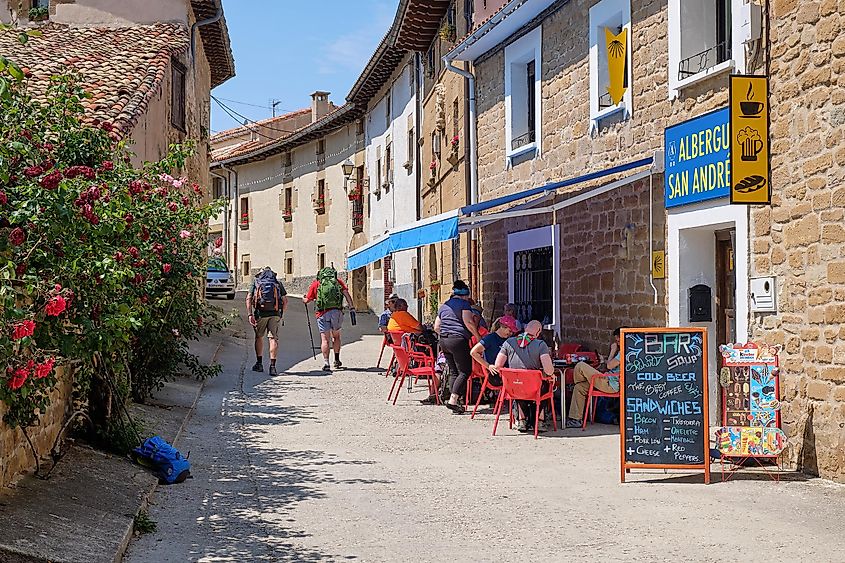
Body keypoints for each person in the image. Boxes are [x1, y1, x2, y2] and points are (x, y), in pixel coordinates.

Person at [494, 320, 555, 432]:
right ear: (538, 332)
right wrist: (552, 374)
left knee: (517, 383)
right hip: (534, 389)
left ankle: (522, 419)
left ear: (526, 328)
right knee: (545, 384)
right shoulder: (541, 345)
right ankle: (540, 420)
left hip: (513, 388)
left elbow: (498, 366)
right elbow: (548, 370)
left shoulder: (508, 342)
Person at [433, 280, 481, 413]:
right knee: (465, 371)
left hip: (444, 340)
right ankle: (453, 399)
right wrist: (478, 337)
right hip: (458, 340)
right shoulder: (464, 304)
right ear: (464, 294)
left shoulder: (443, 306)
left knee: (454, 371)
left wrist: (446, 334)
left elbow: (436, 327)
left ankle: (455, 402)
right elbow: (469, 322)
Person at [565, 326, 624, 428]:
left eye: (618, 341)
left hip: (610, 384)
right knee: (579, 388)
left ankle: (573, 383)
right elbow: (611, 365)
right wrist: (603, 360)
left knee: (580, 365)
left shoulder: (623, 352)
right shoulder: (625, 352)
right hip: (607, 380)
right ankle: (576, 419)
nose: (617, 343)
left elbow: (609, 366)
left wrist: (612, 351)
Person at [303, 266, 355, 372]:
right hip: (337, 312)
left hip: (322, 313)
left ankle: (326, 363)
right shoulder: (338, 282)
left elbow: (307, 300)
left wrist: (303, 299)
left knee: (325, 339)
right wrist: (351, 307)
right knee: (336, 337)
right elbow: (346, 294)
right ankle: (336, 359)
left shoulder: (316, 283)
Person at [246, 267, 288, 376]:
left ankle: (259, 364)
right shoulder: (277, 282)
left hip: (260, 313)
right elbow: (285, 301)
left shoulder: (256, 282)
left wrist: (250, 314)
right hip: (275, 313)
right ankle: (272, 366)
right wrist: (281, 313)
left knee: (259, 337)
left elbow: (249, 298)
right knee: (273, 338)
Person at [470, 315, 519, 386]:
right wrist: (488, 366)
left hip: (507, 371)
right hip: (496, 374)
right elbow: (473, 352)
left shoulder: (508, 339)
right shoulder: (490, 338)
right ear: (502, 327)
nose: (510, 334)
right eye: (509, 331)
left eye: (512, 332)